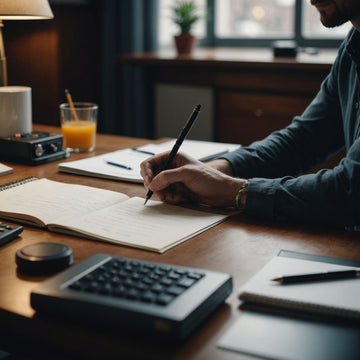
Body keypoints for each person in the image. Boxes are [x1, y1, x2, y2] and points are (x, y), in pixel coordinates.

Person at [140, 0, 360, 229]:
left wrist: (234, 191)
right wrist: (214, 170)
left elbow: (349, 191)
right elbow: (303, 140)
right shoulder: (353, 46)